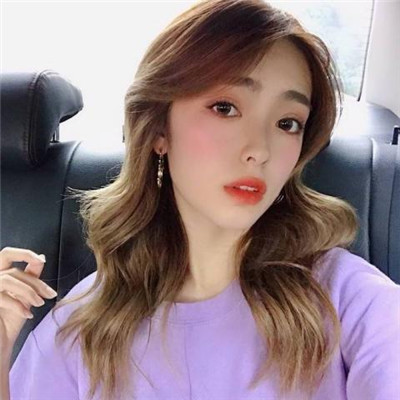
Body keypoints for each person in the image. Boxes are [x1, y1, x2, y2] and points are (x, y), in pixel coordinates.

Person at [1, 0, 399, 399]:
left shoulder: (349, 299)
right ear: (159, 129)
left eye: (287, 123)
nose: (260, 150)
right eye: (225, 108)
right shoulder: (84, 324)